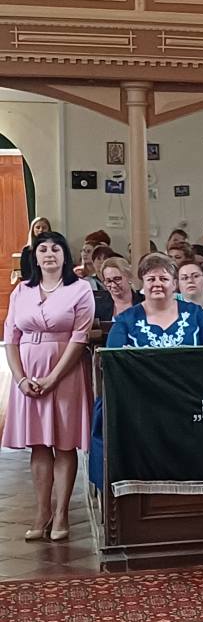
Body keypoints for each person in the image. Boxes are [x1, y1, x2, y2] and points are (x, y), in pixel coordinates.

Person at [3, 231, 96, 542]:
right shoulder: (22, 290)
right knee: (39, 444)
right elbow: (11, 337)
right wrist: (20, 378)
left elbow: (80, 337)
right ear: (35, 257)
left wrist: (54, 377)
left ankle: (62, 512)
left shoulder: (80, 289)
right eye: (42, 249)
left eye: (56, 249)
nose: (49, 254)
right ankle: (42, 512)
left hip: (65, 371)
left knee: (64, 443)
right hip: (28, 371)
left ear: (65, 255)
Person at [108, 254, 203, 348]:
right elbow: (113, 359)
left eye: (164, 279)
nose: (157, 283)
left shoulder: (196, 314)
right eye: (151, 279)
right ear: (143, 284)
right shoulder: (125, 320)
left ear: (174, 284)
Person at [94, 257, 142, 322]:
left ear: (129, 277)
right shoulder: (98, 306)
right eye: (109, 281)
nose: (113, 285)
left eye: (117, 279)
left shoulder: (144, 302)